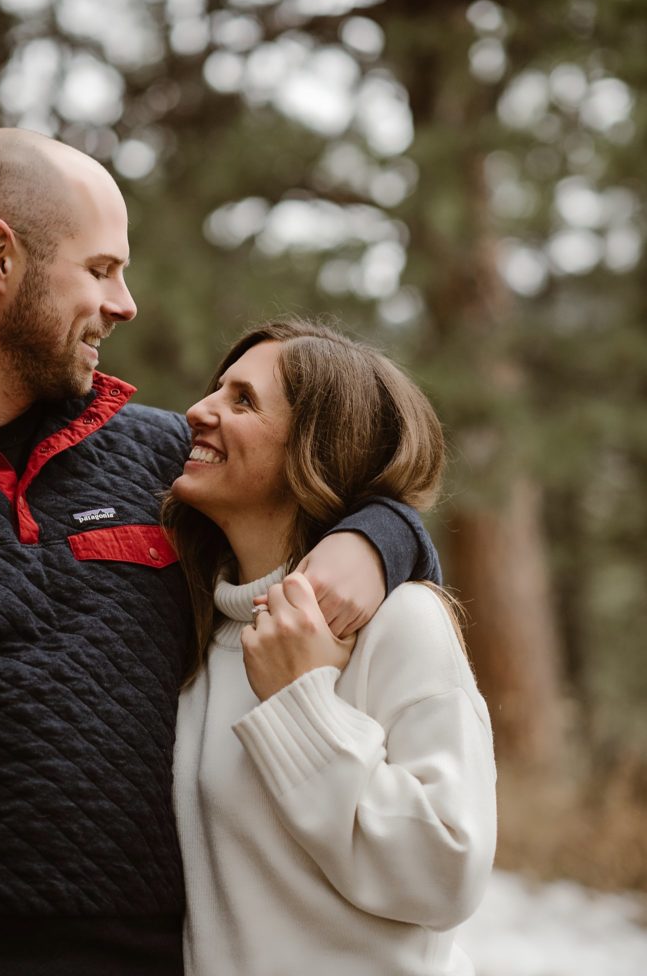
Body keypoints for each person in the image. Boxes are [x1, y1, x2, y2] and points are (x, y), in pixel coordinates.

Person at [0, 129, 440, 976]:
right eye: (101, 269)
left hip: (161, 955)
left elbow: (349, 486)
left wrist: (374, 541)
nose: (126, 304)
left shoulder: (163, 460)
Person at [168, 320, 497, 976]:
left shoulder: (399, 620)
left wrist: (302, 703)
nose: (197, 412)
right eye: (215, 390)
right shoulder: (200, 627)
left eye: (242, 401)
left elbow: (446, 873)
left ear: (316, 452)